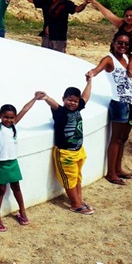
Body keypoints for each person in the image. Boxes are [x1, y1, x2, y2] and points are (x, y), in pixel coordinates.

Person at [0, 93, 44, 232]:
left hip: (13, 163)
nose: (9, 120)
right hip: (1, 164)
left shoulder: (13, 126)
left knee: (16, 187)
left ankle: (22, 212)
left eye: (12, 117)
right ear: (0, 116)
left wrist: (35, 99)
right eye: (6, 117)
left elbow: (25, 109)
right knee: (1, 190)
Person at [86, 32, 132, 185]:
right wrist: (91, 74)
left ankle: (118, 168)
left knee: (123, 138)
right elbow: (97, 69)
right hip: (119, 103)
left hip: (130, 101)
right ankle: (111, 173)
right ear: (113, 43)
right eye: (120, 43)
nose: (122, 46)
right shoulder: (109, 59)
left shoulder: (127, 58)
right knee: (116, 139)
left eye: (126, 44)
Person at [41, 76, 93, 214]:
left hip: (78, 151)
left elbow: (85, 97)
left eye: (75, 101)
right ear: (63, 99)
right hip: (65, 153)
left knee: (77, 177)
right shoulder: (61, 112)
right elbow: (54, 104)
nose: (72, 103)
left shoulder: (78, 107)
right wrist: (46, 97)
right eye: (69, 100)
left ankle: (79, 200)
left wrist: (89, 81)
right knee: (69, 179)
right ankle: (75, 205)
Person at [14, 0, 88, 52]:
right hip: (46, 38)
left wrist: (84, 4)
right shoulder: (46, 2)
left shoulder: (66, 4)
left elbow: (77, 9)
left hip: (59, 39)